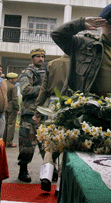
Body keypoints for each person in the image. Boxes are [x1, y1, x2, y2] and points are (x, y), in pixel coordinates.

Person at [51, 2, 111, 100]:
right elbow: (57, 35)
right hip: (86, 107)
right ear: (101, 25)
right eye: (109, 24)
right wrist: (81, 23)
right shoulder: (83, 45)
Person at [33, 54, 69, 192]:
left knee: (51, 140)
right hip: (72, 104)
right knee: (67, 143)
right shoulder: (79, 64)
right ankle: (60, 183)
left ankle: (46, 175)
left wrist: (37, 111)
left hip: (52, 105)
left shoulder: (51, 64)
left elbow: (43, 89)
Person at [17, 48, 46, 182]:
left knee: (46, 143)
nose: (41, 59)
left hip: (44, 112)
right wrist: (43, 88)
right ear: (32, 58)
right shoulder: (27, 73)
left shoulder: (46, 73)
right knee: (27, 143)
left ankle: (48, 171)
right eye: (38, 56)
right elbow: (25, 90)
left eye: (42, 56)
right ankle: (23, 170)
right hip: (29, 113)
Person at [3, 72, 20, 147]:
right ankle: (9, 142)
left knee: (4, 124)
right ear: (11, 79)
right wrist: (17, 108)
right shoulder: (13, 87)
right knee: (11, 124)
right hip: (11, 106)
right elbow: (14, 99)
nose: (16, 80)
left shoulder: (3, 84)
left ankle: (3, 140)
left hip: (4, 105)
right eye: (15, 79)